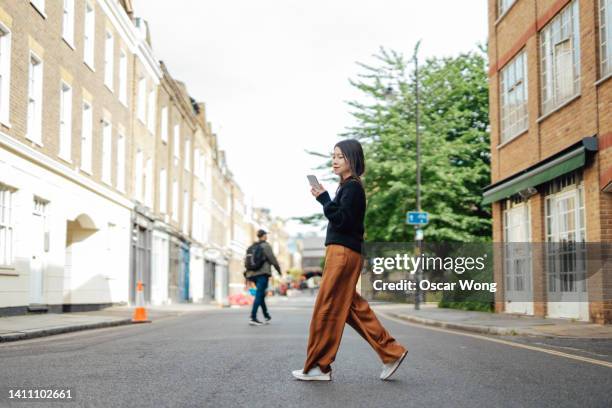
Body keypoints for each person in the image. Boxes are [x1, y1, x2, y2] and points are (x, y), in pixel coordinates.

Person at [292, 139, 408, 382]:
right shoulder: (347, 187)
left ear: (352, 160)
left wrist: (324, 199)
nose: (334, 160)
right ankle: (391, 352)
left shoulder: (352, 188)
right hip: (344, 252)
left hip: (343, 253)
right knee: (351, 308)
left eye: (340, 156)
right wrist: (326, 198)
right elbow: (344, 218)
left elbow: (343, 221)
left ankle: (319, 367)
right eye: (333, 156)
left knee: (327, 308)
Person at [248, 229, 282, 326]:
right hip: (262, 274)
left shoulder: (253, 246)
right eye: (266, 235)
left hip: (252, 274)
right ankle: (253, 317)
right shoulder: (265, 246)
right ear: (264, 236)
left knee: (261, 295)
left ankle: (266, 315)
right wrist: (279, 271)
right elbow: (273, 259)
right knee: (259, 294)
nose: (267, 236)